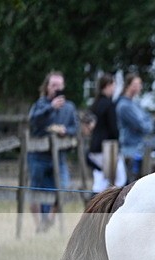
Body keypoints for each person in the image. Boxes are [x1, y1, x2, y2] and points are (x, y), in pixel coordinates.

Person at [27, 70, 78, 232]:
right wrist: (51, 107)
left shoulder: (69, 107)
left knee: (63, 187)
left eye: (59, 85)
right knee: (36, 192)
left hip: (59, 157)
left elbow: (75, 128)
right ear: (47, 87)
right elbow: (33, 121)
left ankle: (49, 219)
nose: (56, 88)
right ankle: (39, 226)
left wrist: (65, 131)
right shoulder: (40, 105)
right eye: (53, 85)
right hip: (38, 157)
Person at [87, 73, 127, 194]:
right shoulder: (109, 105)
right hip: (107, 149)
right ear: (107, 86)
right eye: (113, 85)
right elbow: (113, 129)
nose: (114, 89)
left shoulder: (95, 104)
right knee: (119, 180)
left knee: (100, 180)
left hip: (95, 147)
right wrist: (117, 144)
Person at [116, 73, 155, 182]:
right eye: (136, 84)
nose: (139, 87)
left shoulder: (135, 103)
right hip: (129, 150)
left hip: (139, 148)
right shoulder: (124, 105)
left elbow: (148, 119)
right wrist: (146, 124)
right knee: (130, 183)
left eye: (140, 84)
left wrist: (147, 123)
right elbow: (142, 126)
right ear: (128, 85)